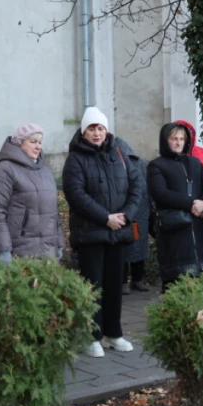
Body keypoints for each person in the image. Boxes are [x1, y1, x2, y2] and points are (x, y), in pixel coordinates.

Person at [63, 107, 142, 358]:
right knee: (92, 287)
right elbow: (76, 194)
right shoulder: (75, 159)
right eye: (91, 128)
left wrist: (126, 215)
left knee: (114, 286)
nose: (96, 133)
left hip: (117, 233)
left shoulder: (118, 153)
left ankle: (114, 333)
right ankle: (92, 336)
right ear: (84, 131)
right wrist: (105, 218)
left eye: (100, 128)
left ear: (106, 131)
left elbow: (136, 186)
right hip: (91, 233)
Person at [147, 123, 203, 291]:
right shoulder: (157, 165)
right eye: (174, 139)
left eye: (182, 139)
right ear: (165, 141)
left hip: (198, 226)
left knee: (200, 284)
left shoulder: (195, 163)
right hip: (174, 229)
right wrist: (190, 203)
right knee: (176, 284)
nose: (178, 143)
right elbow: (160, 193)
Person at [0, 124, 64, 263]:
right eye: (33, 142)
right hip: (20, 253)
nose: (38, 146)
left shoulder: (44, 171)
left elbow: (54, 214)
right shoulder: (4, 170)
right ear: (19, 143)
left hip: (48, 253)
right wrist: (4, 250)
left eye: (40, 142)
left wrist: (60, 243)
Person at [175, 120, 203, 266]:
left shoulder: (202, 153)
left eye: (184, 137)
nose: (181, 141)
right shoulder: (170, 159)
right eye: (178, 137)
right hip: (183, 207)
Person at [115, 137, 151, 294]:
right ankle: (122, 281)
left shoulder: (140, 163)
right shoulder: (113, 164)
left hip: (141, 210)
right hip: (122, 211)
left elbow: (146, 185)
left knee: (140, 246)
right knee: (124, 246)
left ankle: (138, 279)